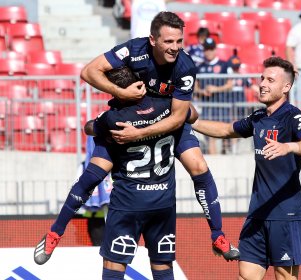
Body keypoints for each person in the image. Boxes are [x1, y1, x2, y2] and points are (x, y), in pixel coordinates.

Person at [80, 11, 239, 261]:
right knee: (94, 151)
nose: (175, 48)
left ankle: (217, 235)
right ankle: (58, 228)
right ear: (153, 40)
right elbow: (89, 72)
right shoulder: (133, 49)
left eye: (179, 41)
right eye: (169, 42)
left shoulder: (185, 66)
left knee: (198, 164)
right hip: (132, 114)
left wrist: (141, 132)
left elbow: (178, 118)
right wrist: (119, 93)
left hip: (167, 119)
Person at [35, 66, 191, 279]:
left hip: (128, 204)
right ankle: (217, 233)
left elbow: (89, 128)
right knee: (162, 267)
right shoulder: (167, 105)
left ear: (117, 91)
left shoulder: (113, 118)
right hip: (162, 202)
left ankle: (55, 233)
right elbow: (190, 115)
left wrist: (101, 125)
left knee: (88, 182)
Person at [192, 57, 301, 279]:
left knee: (285, 277)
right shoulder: (258, 117)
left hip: (287, 214)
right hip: (257, 214)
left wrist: (288, 146)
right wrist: (187, 121)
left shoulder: (294, 116)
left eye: (270, 80)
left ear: (286, 87)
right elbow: (225, 130)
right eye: (262, 78)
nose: (262, 83)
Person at [194, 37, 233, 154]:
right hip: (207, 106)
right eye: (206, 49)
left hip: (222, 105)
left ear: (215, 50)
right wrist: (202, 91)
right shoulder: (199, 67)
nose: (209, 52)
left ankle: (226, 158)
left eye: (211, 49)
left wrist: (216, 89)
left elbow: (230, 85)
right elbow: (195, 87)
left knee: (226, 133)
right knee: (210, 135)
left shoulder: (224, 65)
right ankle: (215, 161)